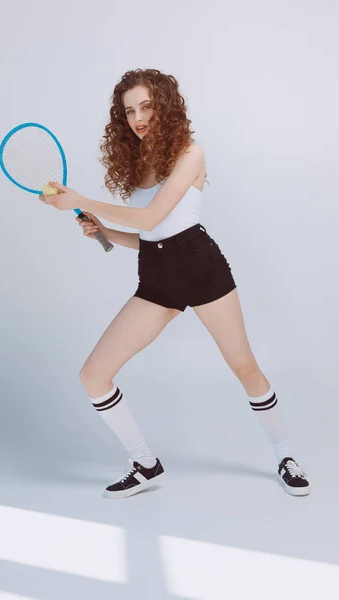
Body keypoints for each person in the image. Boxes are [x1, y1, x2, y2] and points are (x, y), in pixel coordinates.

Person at [40, 68, 310, 499]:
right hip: (158, 278)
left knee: (244, 366)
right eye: (129, 111)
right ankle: (145, 463)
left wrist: (82, 201)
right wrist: (104, 232)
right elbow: (149, 236)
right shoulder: (138, 162)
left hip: (202, 269)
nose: (138, 117)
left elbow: (153, 218)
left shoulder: (191, 153)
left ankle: (285, 455)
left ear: (164, 105)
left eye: (146, 106)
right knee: (94, 375)